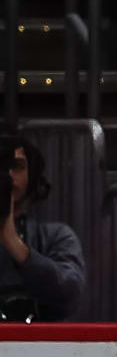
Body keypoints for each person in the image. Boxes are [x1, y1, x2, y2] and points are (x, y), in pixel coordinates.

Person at [1, 136, 85, 322]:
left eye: (17, 166)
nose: (8, 175)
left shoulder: (56, 236)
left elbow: (70, 292)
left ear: (32, 175)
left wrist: (16, 246)